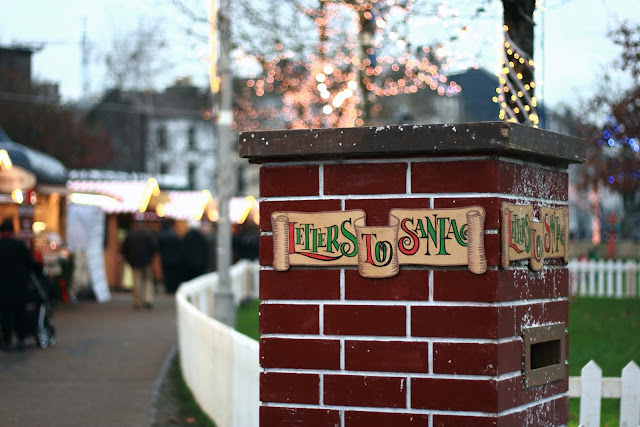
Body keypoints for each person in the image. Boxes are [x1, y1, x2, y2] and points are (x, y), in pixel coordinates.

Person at [0, 218, 34, 350]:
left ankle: (7, 340)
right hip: (19, 288)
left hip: (2, 288)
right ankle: (21, 338)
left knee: (5, 315)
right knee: (20, 313)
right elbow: (30, 264)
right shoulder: (19, 246)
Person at [121, 220, 158, 309]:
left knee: (137, 281)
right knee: (148, 280)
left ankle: (138, 301)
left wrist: (128, 259)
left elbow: (124, 248)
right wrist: (150, 257)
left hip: (134, 261)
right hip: (147, 261)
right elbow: (154, 247)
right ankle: (148, 299)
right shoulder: (148, 234)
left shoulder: (130, 234)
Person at [157, 220, 182, 294]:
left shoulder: (161, 235)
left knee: (167, 274)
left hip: (164, 258)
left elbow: (158, 247)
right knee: (173, 274)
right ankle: (173, 288)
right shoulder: (174, 234)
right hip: (174, 258)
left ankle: (168, 288)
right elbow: (179, 246)